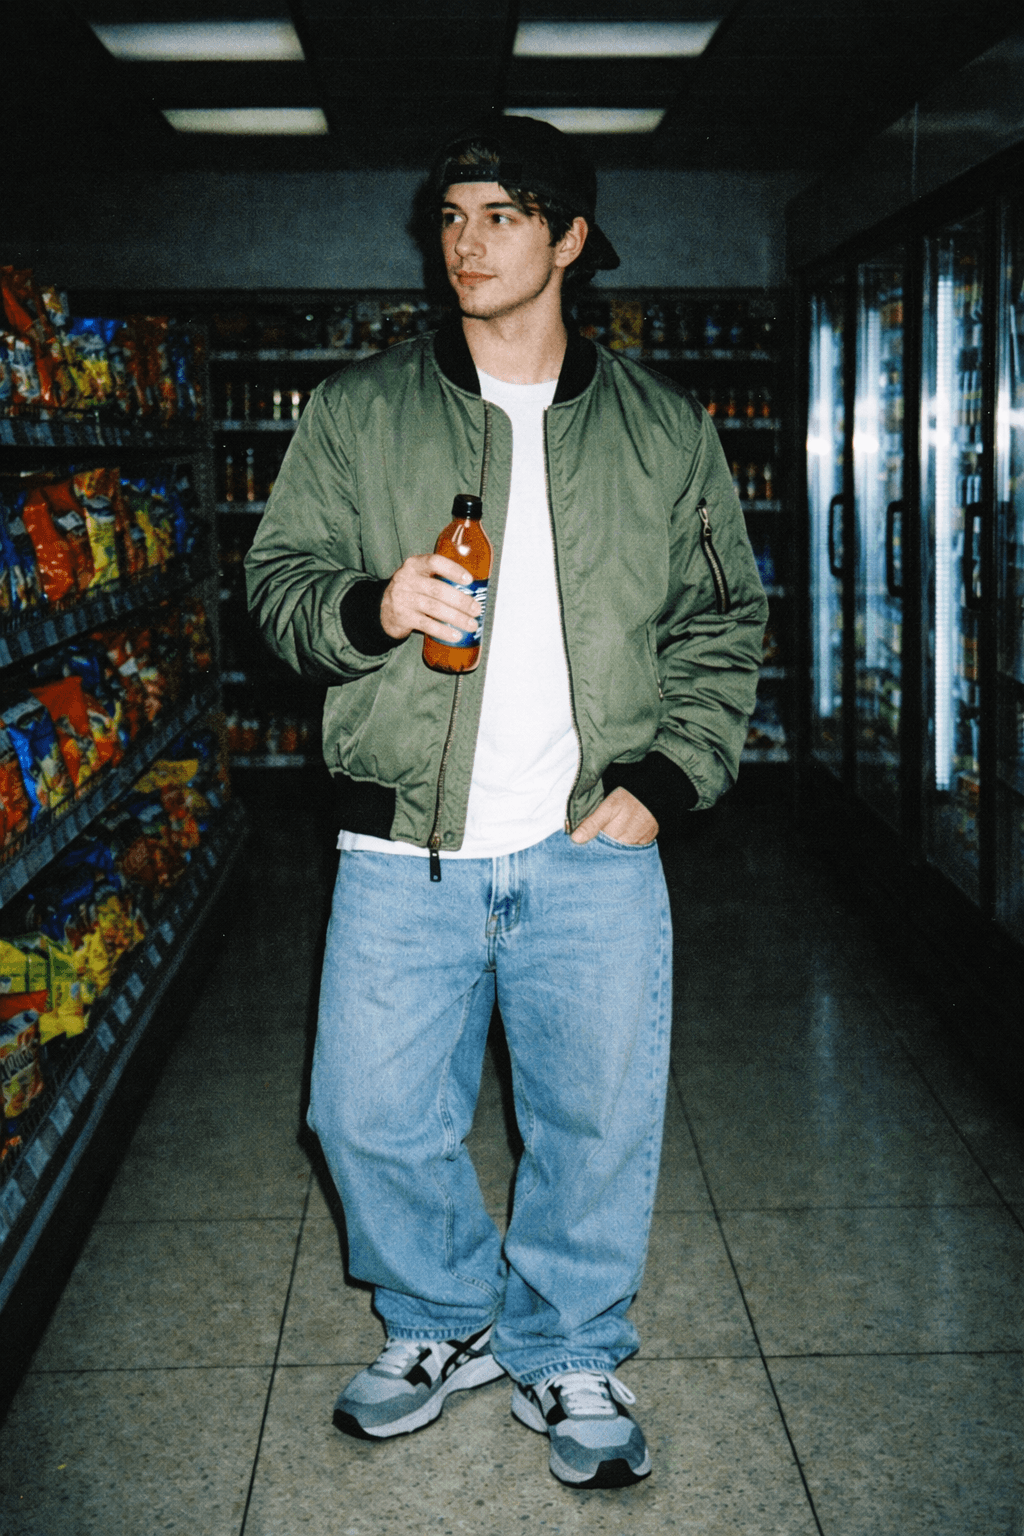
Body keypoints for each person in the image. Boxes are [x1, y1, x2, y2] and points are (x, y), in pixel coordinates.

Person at [245, 114, 767, 1490]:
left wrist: (665, 779)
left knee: (595, 1118)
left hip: (592, 840)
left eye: (500, 214)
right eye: (450, 217)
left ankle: (570, 1343)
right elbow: (278, 589)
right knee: (363, 1114)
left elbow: (723, 623)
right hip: (400, 841)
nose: (466, 241)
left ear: (571, 238)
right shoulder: (360, 413)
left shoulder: (662, 426)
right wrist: (373, 603)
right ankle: (444, 1318)